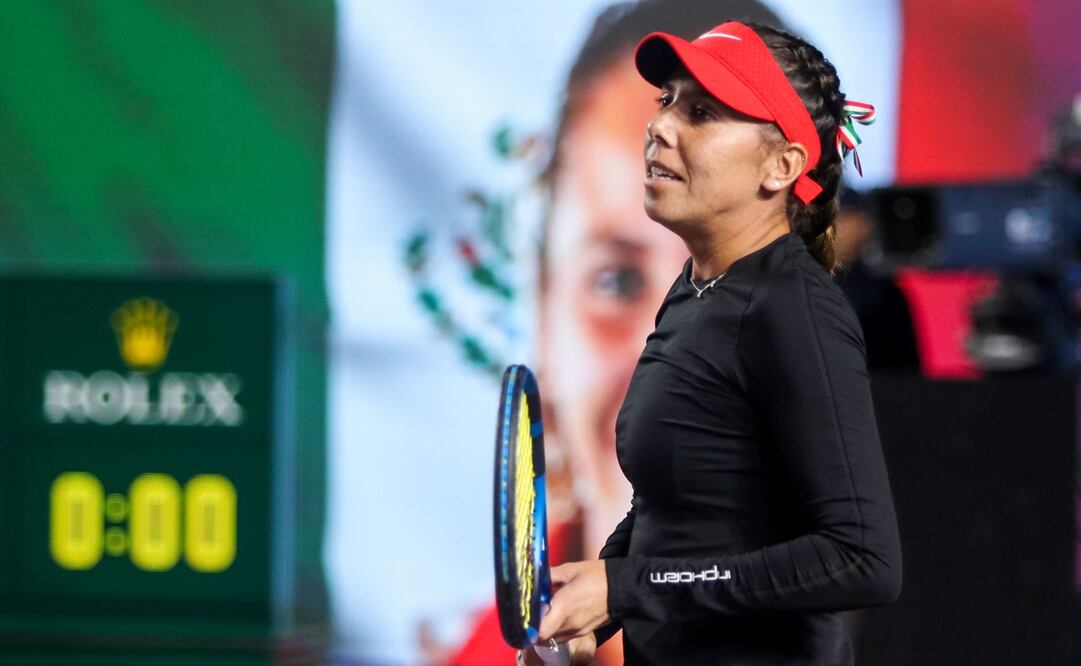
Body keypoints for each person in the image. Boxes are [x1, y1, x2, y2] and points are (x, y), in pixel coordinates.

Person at [522, 19, 902, 665]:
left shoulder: (793, 310)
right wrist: (599, 604)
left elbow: (862, 557)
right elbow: (674, 506)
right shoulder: (695, 293)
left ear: (781, 166)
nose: (661, 126)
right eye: (666, 101)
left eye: (701, 112)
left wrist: (631, 585)